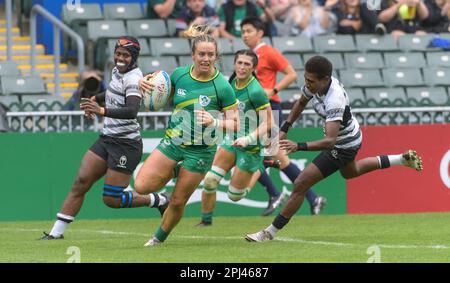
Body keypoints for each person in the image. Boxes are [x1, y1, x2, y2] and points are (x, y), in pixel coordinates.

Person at [245, 55, 424, 242]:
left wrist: (299, 146)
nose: (307, 84)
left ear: (325, 79)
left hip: (343, 145)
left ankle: (270, 232)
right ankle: (401, 159)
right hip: (349, 137)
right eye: (305, 79)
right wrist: (285, 129)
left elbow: (330, 141)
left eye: (311, 81)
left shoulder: (334, 98)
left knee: (301, 183)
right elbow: (301, 102)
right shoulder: (316, 85)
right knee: (350, 172)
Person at [41, 36, 169, 240]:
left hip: (126, 145)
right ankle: (56, 233)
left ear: (134, 57)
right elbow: (112, 92)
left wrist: (100, 109)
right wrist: (95, 98)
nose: (120, 58)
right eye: (118, 53)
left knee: (111, 199)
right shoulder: (116, 71)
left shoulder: (134, 79)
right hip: (107, 139)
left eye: (125, 55)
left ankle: (158, 200)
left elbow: (132, 110)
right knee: (81, 181)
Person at [134, 25, 239, 247]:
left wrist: (215, 121)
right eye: (202, 54)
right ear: (193, 55)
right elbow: (159, 94)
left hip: (200, 151)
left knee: (178, 200)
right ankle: (176, 170)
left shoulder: (222, 87)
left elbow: (237, 122)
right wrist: (146, 83)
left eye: (211, 54)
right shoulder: (179, 75)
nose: (206, 58)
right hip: (173, 142)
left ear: (216, 56)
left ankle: (157, 239)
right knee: (142, 186)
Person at [240, 16, 327, 216]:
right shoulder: (249, 56)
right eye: (243, 31)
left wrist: (274, 89)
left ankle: (274, 194)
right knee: (280, 159)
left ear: (260, 33)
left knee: (256, 156)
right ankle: (313, 198)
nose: (245, 35)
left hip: (269, 108)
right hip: (255, 110)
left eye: (249, 31)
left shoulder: (268, 52)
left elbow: (291, 73)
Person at [197, 49, 274, 226]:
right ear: (234, 64)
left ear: (253, 68)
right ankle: (206, 221)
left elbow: (269, 122)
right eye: (239, 63)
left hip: (250, 146)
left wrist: (248, 139)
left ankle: (261, 167)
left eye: (247, 64)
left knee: (234, 196)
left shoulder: (256, 91)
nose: (242, 67)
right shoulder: (232, 82)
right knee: (209, 180)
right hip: (231, 140)